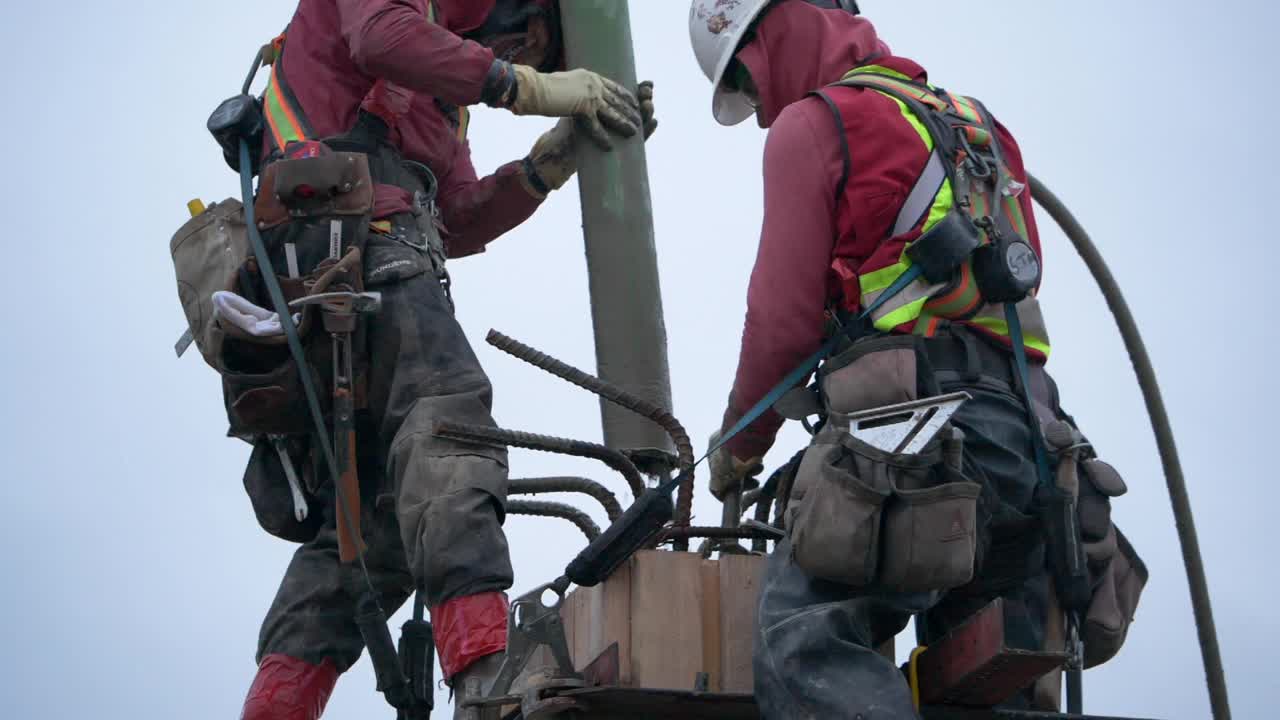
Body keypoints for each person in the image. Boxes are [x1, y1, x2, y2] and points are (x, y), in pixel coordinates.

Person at [690, 1, 1137, 717]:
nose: (762, 107)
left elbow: (781, 325)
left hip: (912, 441)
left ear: (775, 34)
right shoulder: (977, 127)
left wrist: (739, 448)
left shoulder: (816, 124)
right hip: (1032, 448)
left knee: (804, 639)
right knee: (989, 681)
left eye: (746, 74)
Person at [234, 2, 656, 718]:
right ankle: (486, 676)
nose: (523, 56)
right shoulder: (400, 24)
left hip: (372, 271)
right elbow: (382, 35)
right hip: (346, 258)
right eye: (534, 42)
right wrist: (525, 89)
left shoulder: (441, 101)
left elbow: (455, 214)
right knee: (452, 427)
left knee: (375, 530)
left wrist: (545, 165)